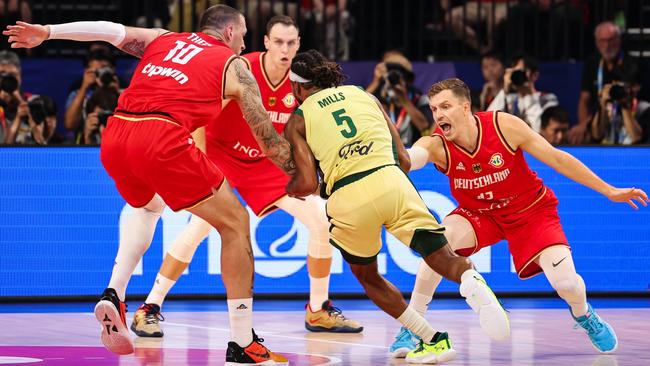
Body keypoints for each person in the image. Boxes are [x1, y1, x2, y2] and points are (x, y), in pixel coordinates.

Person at [4, 5, 293, 365]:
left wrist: (48, 31)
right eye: (245, 34)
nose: (246, 41)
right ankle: (242, 342)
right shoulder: (235, 64)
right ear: (231, 33)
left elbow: (108, 30)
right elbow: (266, 138)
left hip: (118, 133)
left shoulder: (164, 39)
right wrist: (302, 172)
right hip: (162, 137)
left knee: (147, 206)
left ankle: (115, 293)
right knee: (235, 223)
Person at [130, 15, 362, 339]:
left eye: (291, 43)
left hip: (265, 165)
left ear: (298, 45)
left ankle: (319, 308)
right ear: (266, 42)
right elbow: (199, 115)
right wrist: (199, 161)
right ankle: (149, 308)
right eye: (278, 42)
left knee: (322, 221)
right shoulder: (241, 68)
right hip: (222, 156)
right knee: (197, 231)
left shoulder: (301, 83)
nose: (285, 49)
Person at [390, 78, 648, 357]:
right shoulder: (437, 145)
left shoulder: (504, 126)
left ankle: (584, 314)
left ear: (466, 107)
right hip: (480, 215)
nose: (439, 115)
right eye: (433, 109)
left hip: (531, 211)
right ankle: (413, 326)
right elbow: (410, 157)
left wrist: (609, 190)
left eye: (445, 106)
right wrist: (392, 155)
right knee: (438, 240)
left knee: (567, 285)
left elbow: (557, 158)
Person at [284, 50, 510, 364]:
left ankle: (432, 339)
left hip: (348, 197)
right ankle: (474, 283)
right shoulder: (364, 95)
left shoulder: (299, 118)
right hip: (390, 178)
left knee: (369, 276)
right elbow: (404, 159)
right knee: (440, 255)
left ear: (296, 87)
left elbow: (307, 184)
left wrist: (290, 185)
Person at [570, 21, 643, 144]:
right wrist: (584, 125)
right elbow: (584, 98)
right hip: (601, 114)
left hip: (630, 116)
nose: (607, 45)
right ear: (596, 42)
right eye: (602, 41)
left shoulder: (633, 64)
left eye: (611, 40)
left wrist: (624, 102)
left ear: (619, 39)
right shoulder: (592, 63)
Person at [366, 50, 433, 147]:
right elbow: (359, 105)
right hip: (386, 151)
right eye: (390, 75)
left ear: (406, 78)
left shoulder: (418, 98)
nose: (395, 79)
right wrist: (375, 81)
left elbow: (425, 127)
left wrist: (404, 99)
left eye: (398, 75)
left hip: (413, 151)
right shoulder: (380, 98)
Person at [487, 54, 558, 133]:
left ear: (534, 75)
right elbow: (488, 120)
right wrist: (505, 90)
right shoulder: (509, 99)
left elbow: (538, 129)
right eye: (513, 73)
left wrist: (529, 96)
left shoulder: (547, 99)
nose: (517, 76)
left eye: (520, 72)